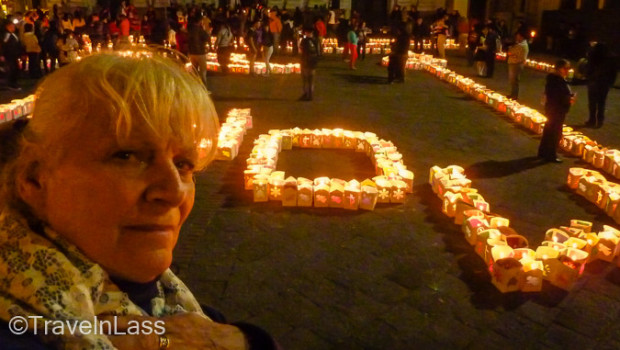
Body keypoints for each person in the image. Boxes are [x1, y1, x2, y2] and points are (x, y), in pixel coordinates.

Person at [0, 51, 279, 350]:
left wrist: (244, 341)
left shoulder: (185, 316)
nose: (174, 192)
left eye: (184, 163)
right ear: (34, 179)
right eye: (127, 155)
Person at [538, 59, 575, 163]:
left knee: (549, 130)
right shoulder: (557, 80)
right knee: (555, 132)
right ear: (560, 68)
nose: (568, 70)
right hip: (556, 109)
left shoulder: (555, 78)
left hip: (552, 108)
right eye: (566, 68)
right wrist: (569, 99)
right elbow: (557, 96)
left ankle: (543, 152)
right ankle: (550, 155)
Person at [584, 42, 617, 128]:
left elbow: (589, 67)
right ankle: (600, 121)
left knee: (592, 102)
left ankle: (592, 120)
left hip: (594, 81)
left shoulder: (593, 56)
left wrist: (588, 76)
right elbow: (614, 72)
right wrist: (611, 82)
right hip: (604, 83)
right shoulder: (611, 58)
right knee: (601, 102)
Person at [1, 19, 23, 91]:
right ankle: (11, 84)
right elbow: (3, 45)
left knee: (15, 69)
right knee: (11, 69)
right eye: (12, 26)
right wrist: (1, 54)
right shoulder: (6, 35)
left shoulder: (13, 35)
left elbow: (18, 44)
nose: (13, 27)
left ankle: (14, 82)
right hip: (9, 55)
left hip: (14, 55)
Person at [507, 30, 529, 100]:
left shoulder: (521, 46)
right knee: (513, 80)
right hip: (516, 63)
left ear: (521, 37)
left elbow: (510, 52)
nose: (516, 38)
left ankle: (514, 95)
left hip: (516, 64)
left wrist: (510, 49)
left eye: (518, 36)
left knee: (514, 80)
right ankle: (513, 94)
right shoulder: (521, 44)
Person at [299, 26, 319, 101]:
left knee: (305, 78)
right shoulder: (316, 40)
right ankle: (310, 95)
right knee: (311, 79)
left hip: (305, 60)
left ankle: (306, 94)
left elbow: (301, 50)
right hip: (313, 61)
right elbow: (319, 52)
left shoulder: (304, 41)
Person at [188, 18, 209, 87]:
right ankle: (204, 87)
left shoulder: (190, 30)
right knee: (203, 72)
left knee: (194, 71)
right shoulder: (201, 31)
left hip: (192, 53)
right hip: (200, 53)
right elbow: (207, 38)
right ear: (199, 22)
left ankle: (194, 86)